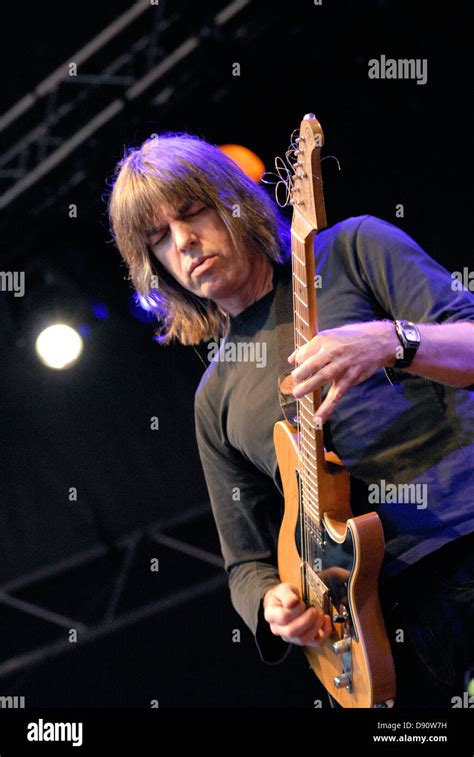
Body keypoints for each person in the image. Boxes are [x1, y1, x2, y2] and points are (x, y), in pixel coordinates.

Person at [107, 131, 474, 708]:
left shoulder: (353, 248)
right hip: (374, 631)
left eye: (192, 211)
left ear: (234, 199)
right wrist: (271, 603)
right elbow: (245, 561)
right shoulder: (214, 398)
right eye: (157, 238)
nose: (182, 241)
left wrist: (392, 340)